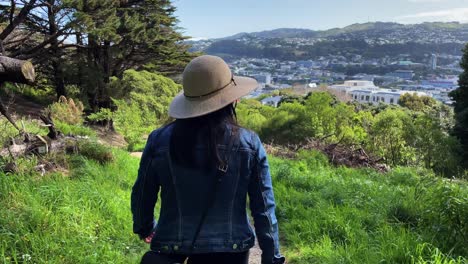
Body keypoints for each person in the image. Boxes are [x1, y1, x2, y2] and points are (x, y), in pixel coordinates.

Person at [131, 55, 285, 264]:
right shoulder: (249, 143)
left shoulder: (159, 140)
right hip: (232, 251)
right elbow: (264, 208)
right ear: (233, 99)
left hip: (171, 247)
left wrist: (145, 228)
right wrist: (271, 257)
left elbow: (142, 194)